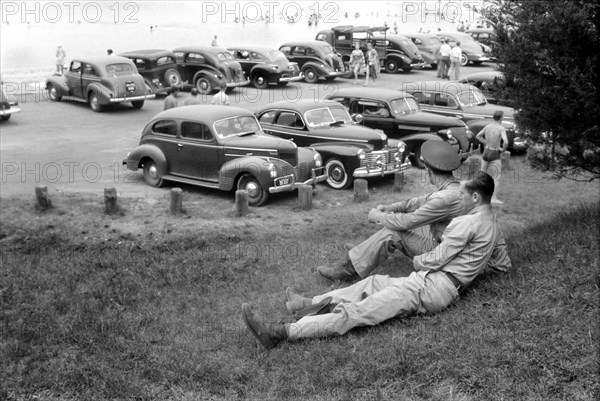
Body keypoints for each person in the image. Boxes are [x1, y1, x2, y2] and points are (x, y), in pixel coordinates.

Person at [241, 171, 512, 349]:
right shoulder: (492, 223)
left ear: (475, 197)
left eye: (462, 196)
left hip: (433, 286)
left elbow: (433, 260)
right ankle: (308, 304)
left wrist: (418, 262)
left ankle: (278, 333)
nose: (459, 199)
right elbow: (502, 264)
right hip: (438, 285)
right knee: (373, 282)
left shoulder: (466, 223)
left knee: (359, 311)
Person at [317, 140, 464, 282]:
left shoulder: (444, 198)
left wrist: (378, 216)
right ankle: (366, 251)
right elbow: (418, 201)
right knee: (404, 221)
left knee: (393, 231)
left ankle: (348, 270)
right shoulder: (455, 188)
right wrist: (390, 208)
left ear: (428, 169)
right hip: (450, 245)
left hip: (445, 254)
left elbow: (407, 222)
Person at [477, 110, 509, 204]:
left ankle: (478, 195)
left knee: (481, 176)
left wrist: (485, 142)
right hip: (494, 153)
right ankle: (493, 199)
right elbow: (506, 142)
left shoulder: (488, 126)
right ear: (501, 118)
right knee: (496, 177)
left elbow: (478, 136)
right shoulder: (501, 128)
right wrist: (503, 150)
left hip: (486, 151)